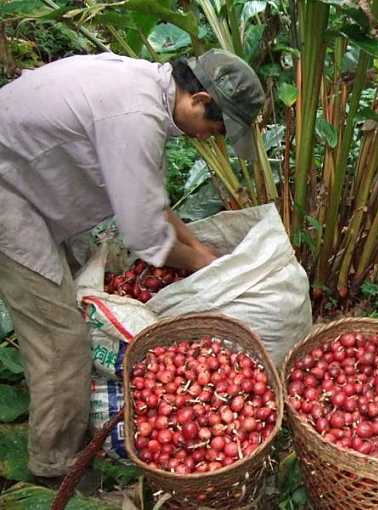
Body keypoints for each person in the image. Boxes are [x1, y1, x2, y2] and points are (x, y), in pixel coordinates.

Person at [0, 48, 265, 480]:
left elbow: (151, 202)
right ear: (197, 99)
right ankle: (55, 469)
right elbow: (144, 236)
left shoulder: (146, 91)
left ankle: (62, 414)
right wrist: (200, 260)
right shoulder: (134, 116)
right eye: (215, 126)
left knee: (61, 297)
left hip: (26, 182)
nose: (209, 137)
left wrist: (197, 246)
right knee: (60, 339)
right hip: (8, 194)